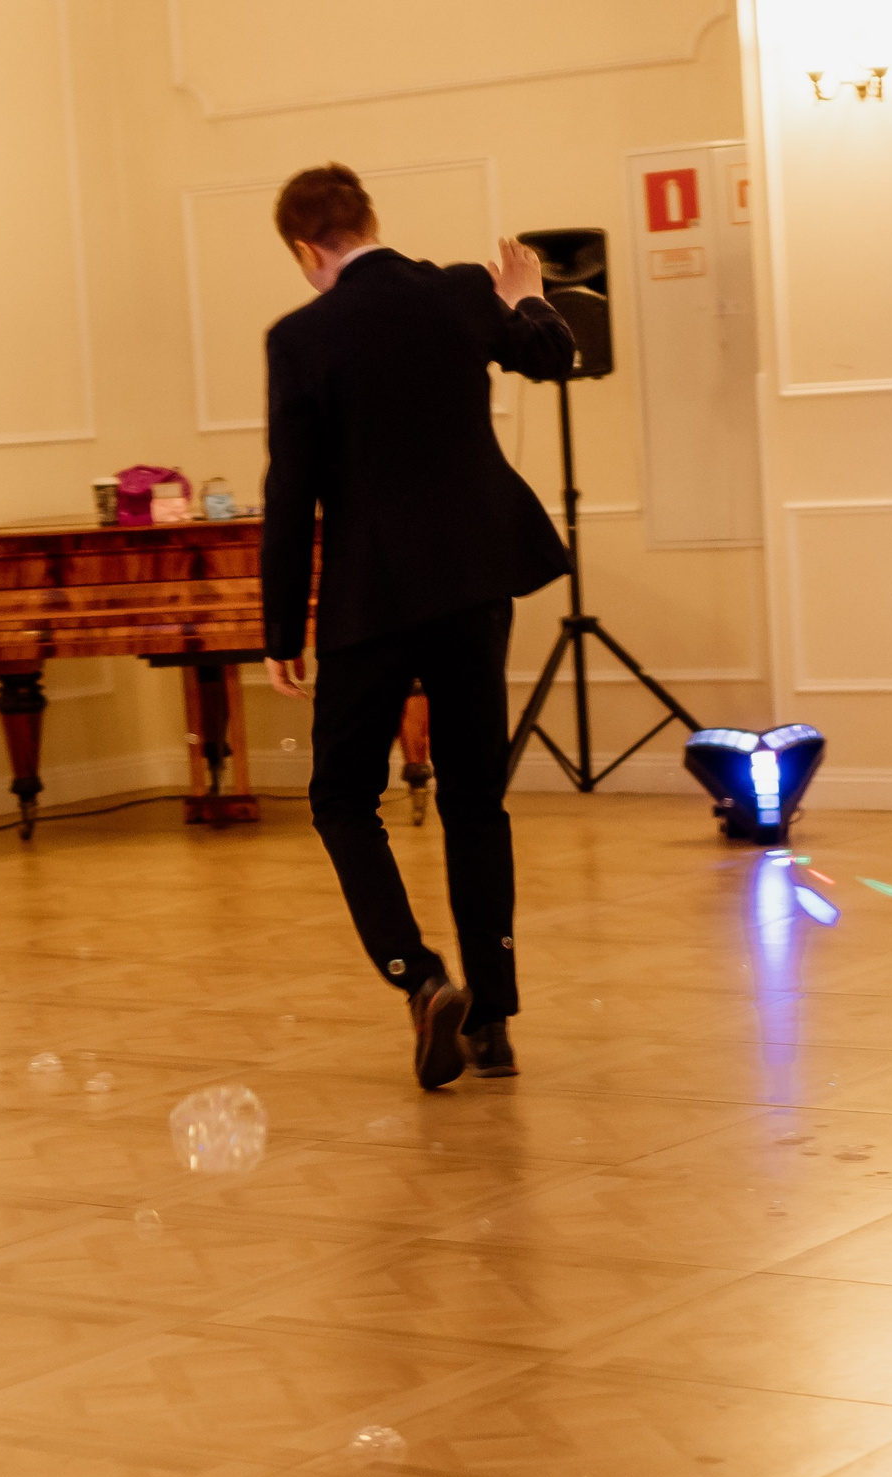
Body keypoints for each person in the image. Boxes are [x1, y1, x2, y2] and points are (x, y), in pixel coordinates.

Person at [259, 163, 576, 1090]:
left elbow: (291, 494)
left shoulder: (300, 337)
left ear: (307, 249)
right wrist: (526, 296)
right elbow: (554, 359)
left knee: (341, 798)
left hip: (371, 598)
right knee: (476, 800)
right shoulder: (461, 293)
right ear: (370, 220)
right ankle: (494, 1023)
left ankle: (420, 975)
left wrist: (281, 629)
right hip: (476, 584)